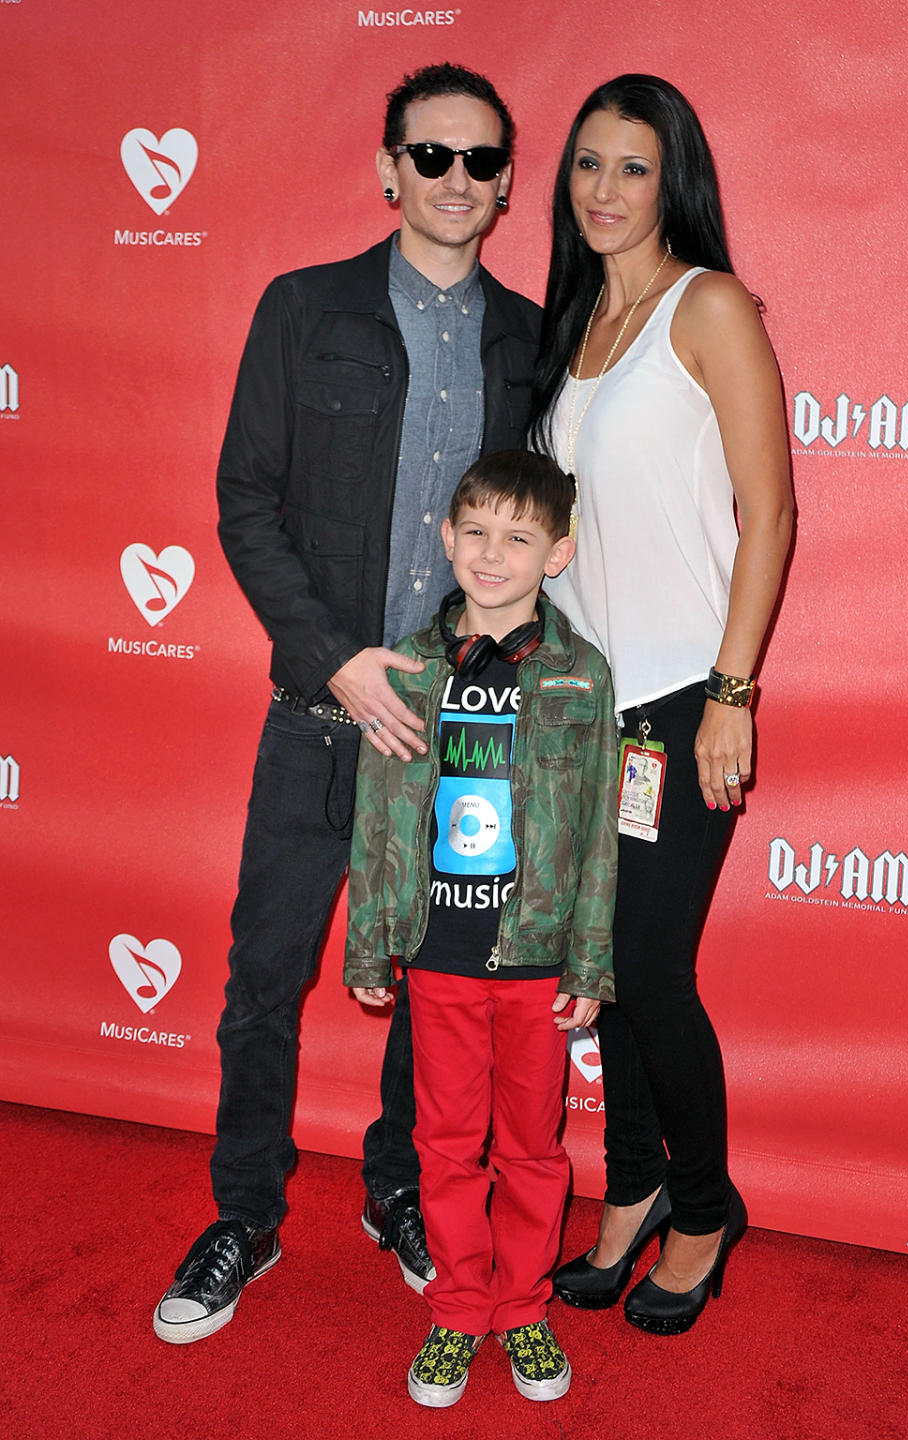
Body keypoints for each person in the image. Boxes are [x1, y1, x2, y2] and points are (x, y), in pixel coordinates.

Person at [152, 63, 541, 1345]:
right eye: (431, 157)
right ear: (388, 169)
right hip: (322, 715)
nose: (455, 182)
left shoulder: (529, 339)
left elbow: (540, 537)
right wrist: (338, 661)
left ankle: (398, 1191)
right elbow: (244, 505)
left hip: (463, 734)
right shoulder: (302, 309)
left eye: (481, 163)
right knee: (266, 975)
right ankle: (246, 1217)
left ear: (502, 186)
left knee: (432, 988)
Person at [529, 74, 793, 1335]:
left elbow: (770, 512)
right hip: (584, 712)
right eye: (586, 164)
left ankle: (701, 1208)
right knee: (606, 968)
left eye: (631, 167)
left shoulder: (711, 307)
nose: (603, 190)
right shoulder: (575, 320)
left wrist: (734, 693)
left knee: (646, 963)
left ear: (672, 177)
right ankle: (628, 1190)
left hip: (684, 696)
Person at [345, 450, 618, 1407]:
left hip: (539, 961)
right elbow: (379, 817)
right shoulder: (410, 666)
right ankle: (460, 1309)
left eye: (518, 537)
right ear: (445, 537)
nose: (492, 554)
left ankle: (524, 1307)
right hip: (441, 957)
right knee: (448, 1145)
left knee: (535, 1150)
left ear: (558, 552)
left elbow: (594, 837)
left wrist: (588, 957)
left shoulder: (583, 677)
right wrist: (372, 942)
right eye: (475, 532)